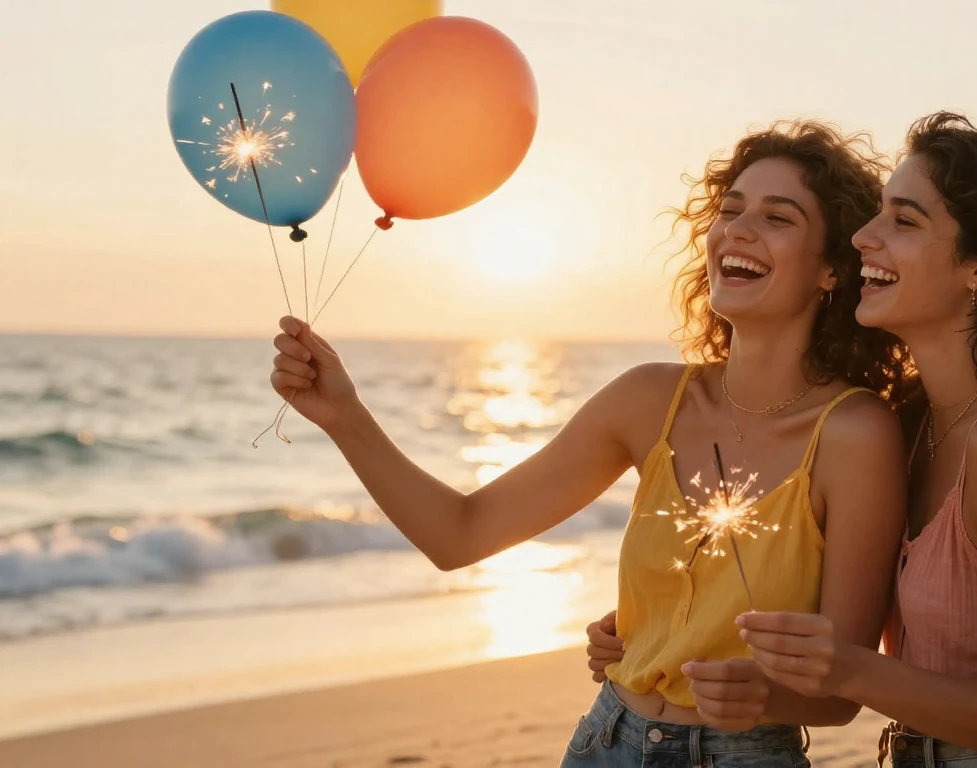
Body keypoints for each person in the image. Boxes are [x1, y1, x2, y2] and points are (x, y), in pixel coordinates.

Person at [269, 121, 912, 767]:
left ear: (832, 269)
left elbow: (842, 692)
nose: (737, 230)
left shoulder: (856, 435)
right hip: (607, 742)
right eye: (730, 210)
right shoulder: (648, 400)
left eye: (778, 217)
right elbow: (459, 535)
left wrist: (763, 693)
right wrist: (344, 417)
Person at [587, 112, 977, 765]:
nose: (864, 237)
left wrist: (847, 670)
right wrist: (663, 628)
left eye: (903, 220)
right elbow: (780, 568)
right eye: (877, 215)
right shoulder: (913, 421)